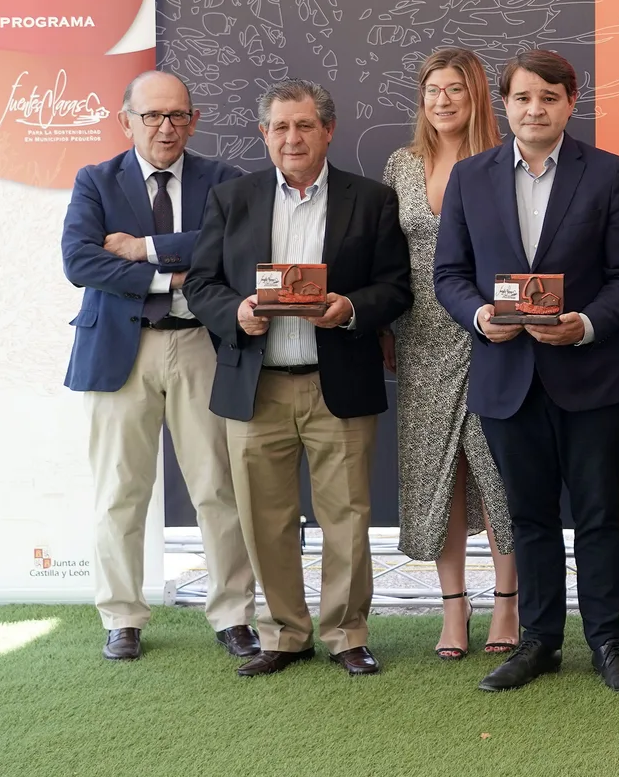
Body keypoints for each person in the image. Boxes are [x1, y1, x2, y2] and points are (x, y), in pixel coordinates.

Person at [434, 49, 619, 694]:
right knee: (527, 518)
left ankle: (608, 641)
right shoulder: (471, 178)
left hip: (591, 376)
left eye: (549, 98)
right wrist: (478, 318)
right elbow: (448, 275)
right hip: (507, 376)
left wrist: (584, 324)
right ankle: (540, 641)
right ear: (505, 105)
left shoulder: (608, 175)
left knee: (598, 514)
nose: (536, 109)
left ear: (569, 104)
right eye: (524, 98)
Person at [185, 79, 412, 677]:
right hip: (255, 385)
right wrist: (235, 313)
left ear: (327, 131)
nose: (292, 137)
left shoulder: (372, 199)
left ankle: (346, 634)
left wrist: (350, 309)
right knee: (265, 520)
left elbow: (395, 287)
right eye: (280, 127)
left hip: (336, 382)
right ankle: (284, 633)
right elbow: (202, 285)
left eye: (305, 126)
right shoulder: (233, 199)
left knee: (348, 517)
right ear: (264, 134)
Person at [61, 71, 255, 662]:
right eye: (152, 116)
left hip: (201, 344)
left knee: (218, 487)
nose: (165, 127)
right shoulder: (94, 181)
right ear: (126, 121)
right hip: (120, 350)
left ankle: (232, 615)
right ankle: (122, 617)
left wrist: (142, 248)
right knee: (121, 489)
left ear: (193, 121)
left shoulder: (223, 179)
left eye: (177, 116)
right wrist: (170, 276)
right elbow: (80, 261)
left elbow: (232, 250)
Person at [382, 48, 520, 661]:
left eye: (455, 90)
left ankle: (510, 605)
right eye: (432, 89)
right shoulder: (402, 165)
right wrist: (385, 329)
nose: (442, 100)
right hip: (421, 342)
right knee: (442, 477)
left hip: (494, 335)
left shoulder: (504, 161)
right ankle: (453, 608)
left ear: (478, 97)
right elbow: (388, 258)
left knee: (500, 476)